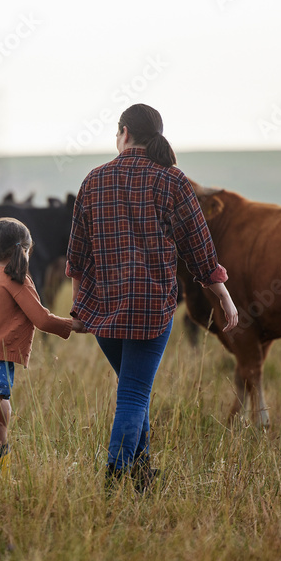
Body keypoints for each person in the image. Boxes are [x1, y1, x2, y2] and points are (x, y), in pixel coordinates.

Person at [65, 103, 239, 492]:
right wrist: (224, 296)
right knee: (133, 392)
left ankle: (143, 475)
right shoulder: (173, 181)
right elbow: (200, 250)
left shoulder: (93, 180)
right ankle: (114, 479)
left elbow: (77, 255)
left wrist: (78, 307)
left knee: (132, 388)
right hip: (151, 309)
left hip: (103, 311)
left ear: (124, 132)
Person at [0, 217, 84, 481]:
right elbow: (42, 319)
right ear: (23, 250)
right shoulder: (16, 280)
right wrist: (76, 325)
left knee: (2, 415)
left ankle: (1, 479)